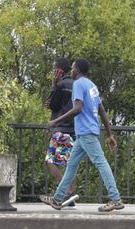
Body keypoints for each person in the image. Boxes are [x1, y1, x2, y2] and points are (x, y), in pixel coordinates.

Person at [41, 59, 124, 212]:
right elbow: (102, 111)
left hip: (86, 132)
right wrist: (109, 134)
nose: (71, 71)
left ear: (77, 70)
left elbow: (77, 108)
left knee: (101, 162)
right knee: (71, 165)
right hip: (84, 133)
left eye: (72, 68)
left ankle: (115, 199)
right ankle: (58, 199)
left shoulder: (78, 84)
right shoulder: (92, 85)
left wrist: (55, 121)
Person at [42, 58, 77, 207]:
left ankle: (66, 192)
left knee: (49, 161)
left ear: (58, 71)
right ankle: (70, 195)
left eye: (54, 69)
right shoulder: (76, 84)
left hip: (61, 128)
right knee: (70, 163)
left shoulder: (61, 84)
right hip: (74, 129)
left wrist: (53, 86)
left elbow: (51, 105)